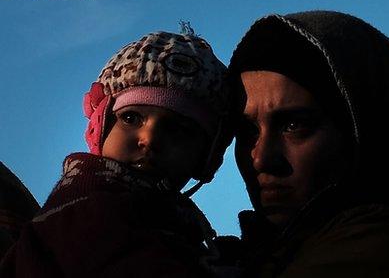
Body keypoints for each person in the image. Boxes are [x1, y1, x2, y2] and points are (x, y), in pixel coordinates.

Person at [229, 10, 389, 278]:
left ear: (369, 129)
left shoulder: (387, 245)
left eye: (294, 126)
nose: (261, 158)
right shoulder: (282, 250)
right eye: (247, 130)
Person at [0, 31, 239, 277]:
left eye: (178, 130)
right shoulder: (89, 210)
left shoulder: (162, 215)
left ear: (208, 156)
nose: (149, 139)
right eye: (130, 118)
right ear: (99, 129)